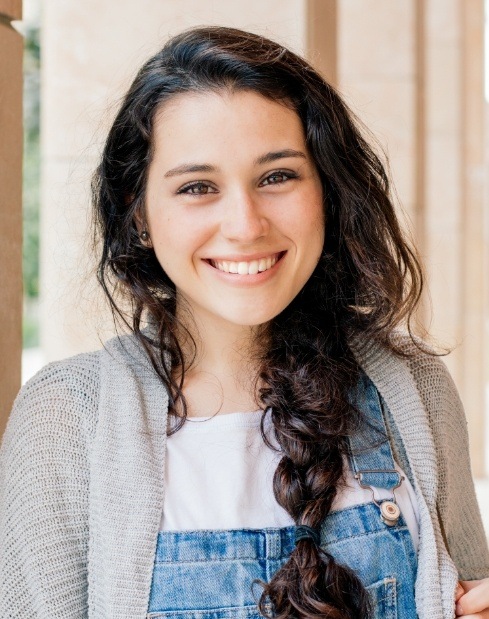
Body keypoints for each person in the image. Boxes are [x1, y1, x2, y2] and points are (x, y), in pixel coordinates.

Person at [1, 25, 488, 619]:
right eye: (197, 187)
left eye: (277, 176)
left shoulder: (413, 390)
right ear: (140, 216)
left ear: (327, 191)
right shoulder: (68, 418)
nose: (245, 224)